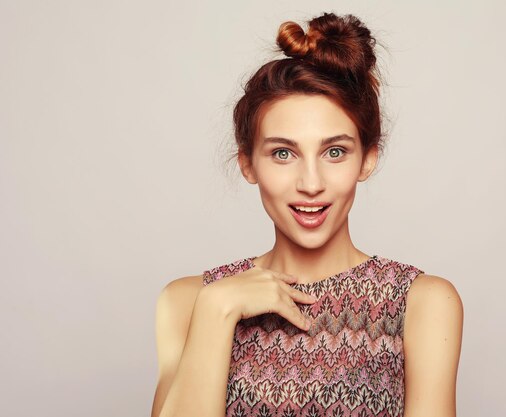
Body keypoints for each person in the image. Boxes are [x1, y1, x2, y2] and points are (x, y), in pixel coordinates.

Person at [151, 12, 463, 417]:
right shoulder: (190, 301)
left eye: (335, 152)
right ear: (248, 163)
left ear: (367, 160)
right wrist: (217, 309)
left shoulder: (420, 302)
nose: (310, 183)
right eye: (284, 153)